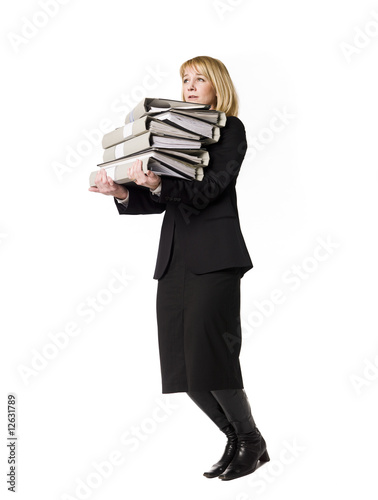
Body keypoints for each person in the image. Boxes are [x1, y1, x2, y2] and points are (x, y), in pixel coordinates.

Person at [89, 55, 269, 481]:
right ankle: (239, 439)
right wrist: (123, 191)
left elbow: (208, 189)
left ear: (218, 86)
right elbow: (163, 197)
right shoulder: (172, 133)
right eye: (185, 79)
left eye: (199, 79)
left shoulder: (230, 130)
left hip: (216, 256)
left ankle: (250, 440)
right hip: (175, 258)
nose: (189, 85)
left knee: (212, 358)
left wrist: (161, 183)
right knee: (182, 368)